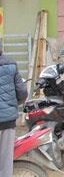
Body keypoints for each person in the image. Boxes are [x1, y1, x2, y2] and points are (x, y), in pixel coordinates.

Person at [0, 48, 28, 177]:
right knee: (5, 163)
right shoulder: (11, 64)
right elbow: (22, 92)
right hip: (7, 121)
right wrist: (12, 105)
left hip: (7, 117)